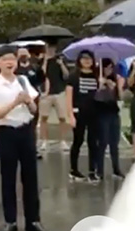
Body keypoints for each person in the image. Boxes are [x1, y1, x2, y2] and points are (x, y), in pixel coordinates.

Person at [0, 45, 51, 231]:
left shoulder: (22, 80)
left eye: (12, 59)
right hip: (7, 132)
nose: (9, 63)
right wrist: (15, 102)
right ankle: (10, 221)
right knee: (8, 177)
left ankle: (33, 221)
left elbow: (34, 110)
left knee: (31, 177)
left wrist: (28, 101)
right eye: (5, 59)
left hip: (26, 131)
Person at [65, 50, 100, 182]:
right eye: (84, 58)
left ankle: (92, 171)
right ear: (79, 60)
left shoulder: (97, 75)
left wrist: (102, 83)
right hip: (78, 112)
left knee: (93, 142)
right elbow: (69, 96)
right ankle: (73, 170)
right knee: (78, 141)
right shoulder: (74, 76)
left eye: (89, 58)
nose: (87, 61)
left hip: (94, 112)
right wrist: (70, 115)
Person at [96, 58, 125, 180]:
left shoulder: (116, 79)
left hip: (113, 112)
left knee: (114, 143)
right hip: (102, 113)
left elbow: (121, 98)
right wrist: (100, 85)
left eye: (111, 68)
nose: (109, 70)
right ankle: (99, 170)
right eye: (106, 68)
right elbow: (95, 97)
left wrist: (119, 87)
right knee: (102, 142)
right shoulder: (98, 79)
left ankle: (116, 169)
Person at [15, 47, 46, 160]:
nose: (23, 56)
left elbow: (42, 79)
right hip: (18, 100)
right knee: (19, 124)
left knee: (32, 124)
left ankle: (33, 148)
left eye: (25, 53)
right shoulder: (15, 68)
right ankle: (18, 149)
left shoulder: (35, 67)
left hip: (33, 99)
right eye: (21, 54)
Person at [39, 44, 70, 154]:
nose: (50, 50)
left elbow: (66, 75)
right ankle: (44, 141)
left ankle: (63, 141)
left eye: (52, 48)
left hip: (59, 91)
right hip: (46, 92)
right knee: (44, 117)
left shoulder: (59, 59)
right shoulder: (41, 60)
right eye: (48, 48)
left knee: (62, 118)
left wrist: (61, 64)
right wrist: (45, 60)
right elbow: (41, 74)